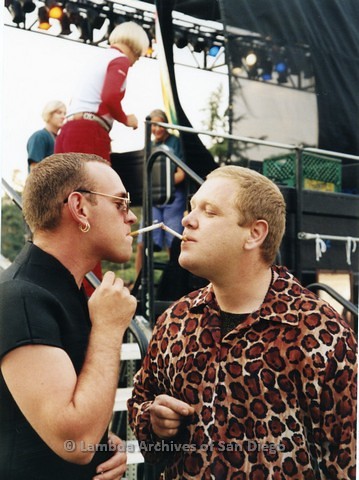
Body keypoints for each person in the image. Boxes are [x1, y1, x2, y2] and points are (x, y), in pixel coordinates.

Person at [128, 165, 357, 479]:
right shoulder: (175, 321)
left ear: (255, 234)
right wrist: (153, 422)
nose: (186, 219)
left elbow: (345, 460)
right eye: (192, 207)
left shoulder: (320, 332)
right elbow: (141, 407)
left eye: (209, 212)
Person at [0, 152, 138, 479]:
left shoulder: (61, 292)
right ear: (79, 208)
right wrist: (107, 329)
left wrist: (105, 446)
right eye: (120, 203)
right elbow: (75, 440)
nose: (130, 217)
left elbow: (66, 427)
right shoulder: (22, 297)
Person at [54, 21, 149, 163]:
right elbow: (109, 97)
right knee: (99, 184)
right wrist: (126, 119)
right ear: (135, 46)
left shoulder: (99, 58)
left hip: (67, 131)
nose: (136, 60)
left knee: (66, 184)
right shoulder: (120, 59)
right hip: (88, 132)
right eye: (139, 55)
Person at [135, 109, 186, 275]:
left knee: (174, 242)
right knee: (144, 240)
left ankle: (176, 282)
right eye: (153, 125)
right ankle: (138, 285)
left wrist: (164, 185)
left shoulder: (175, 143)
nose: (156, 129)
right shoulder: (149, 146)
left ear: (166, 125)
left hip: (173, 197)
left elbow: (181, 173)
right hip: (154, 198)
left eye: (159, 124)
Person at [27, 100, 66, 171]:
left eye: (64, 113)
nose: (63, 117)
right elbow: (34, 169)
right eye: (59, 113)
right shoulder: (40, 136)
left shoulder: (60, 139)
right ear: (49, 114)